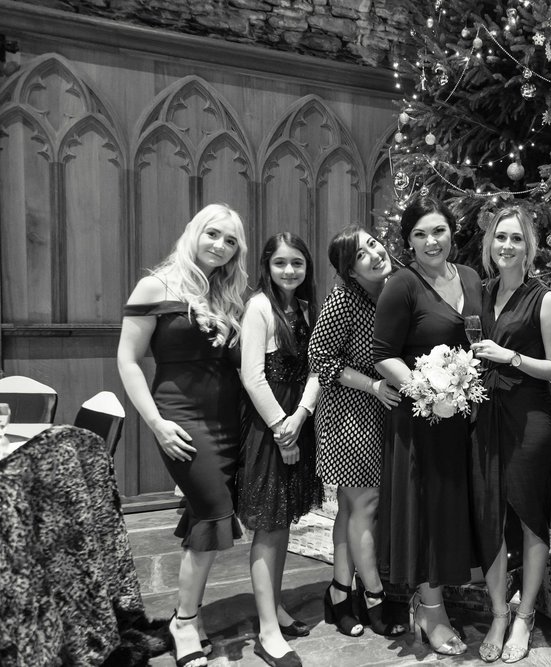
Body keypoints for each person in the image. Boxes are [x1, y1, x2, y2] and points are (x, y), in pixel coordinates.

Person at [117, 203, 248, 667]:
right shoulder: (156, 284)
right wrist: (155, 422)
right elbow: (129, 361)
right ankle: (184, 620)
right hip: (180, 416)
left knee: (205, 516)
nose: (221, 246)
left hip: (228, 418)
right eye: (213, 234)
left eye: (231, 241)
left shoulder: (225, 293)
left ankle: (186, 616)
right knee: (213, 512)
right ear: (193, 231)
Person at [372, 196, 483, 656]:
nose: (431, 241)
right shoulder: (402, 284)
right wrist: (427, 391)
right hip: (421, 419)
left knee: (454, 508)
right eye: (419, 234)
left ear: (451, 233)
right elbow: (383, 353)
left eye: (438, 230)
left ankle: (441, 595)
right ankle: (431, 609)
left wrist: (462, 394)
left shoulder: (473, 278)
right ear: (408, 242)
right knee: (427, 510)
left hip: (465, 418)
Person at [468, 207, 551, 663]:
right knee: (489, 515)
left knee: (528, 515)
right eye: (500, 237)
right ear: (489, 245)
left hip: (529, 418)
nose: (507, 245)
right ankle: (498, 614)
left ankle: (523, 616)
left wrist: (511, 357)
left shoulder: (543, 298)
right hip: (485, 417)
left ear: (529, 246)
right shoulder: (481, 294)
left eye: (516, 239)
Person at [308, 225, 406, 639]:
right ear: (349, 270)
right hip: (349, 414)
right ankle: (375, 598)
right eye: (361, 253)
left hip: (377, 410)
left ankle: (338, 592)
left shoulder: (388, 289)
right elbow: (319, 359)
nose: (373, 253)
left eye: (373, 243)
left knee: (349, 510)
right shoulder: (344, 300)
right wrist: (371, 385)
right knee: (365, 506)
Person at [238, 232, 324, 667]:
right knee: (268, 526)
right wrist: (281, 428)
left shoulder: (307, 309)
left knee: (284, 520)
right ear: (267, 266)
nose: (289, 271)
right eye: (280, 263)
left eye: (297, 263)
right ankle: (266, 631)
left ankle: (274, 608)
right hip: (270, 425)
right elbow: (252, 377)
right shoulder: (259, 308)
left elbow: (317, 368)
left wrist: (303, 415)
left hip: (296, 421)